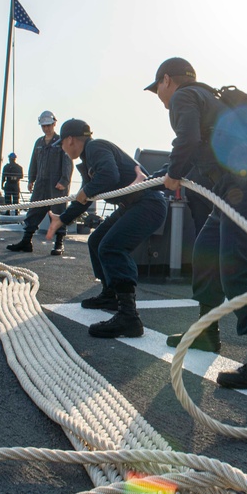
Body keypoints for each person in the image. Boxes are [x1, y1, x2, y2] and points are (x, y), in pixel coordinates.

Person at [146, 57, 247, 389]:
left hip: (246, 188)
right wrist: (163, 175)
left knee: (236, 267)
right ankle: (207, 334)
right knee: (207, 253)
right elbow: (197, 151)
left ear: (167, 80)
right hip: (230, 193)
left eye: (157, 90)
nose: (160, 97)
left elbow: (188, 141)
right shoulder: (210, 99)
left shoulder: (183, 97)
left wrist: (174, 173)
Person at [45, 119, 167, 338]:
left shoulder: (95, 147)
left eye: (62, 144)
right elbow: (84, 197)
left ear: (70, 140)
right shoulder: (87, 159)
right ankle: (110, 294)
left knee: (111, 247)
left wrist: (88, 189)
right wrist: (61, 219)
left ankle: (129, 316)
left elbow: (110, 175)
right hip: (134, 204)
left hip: (148, 203)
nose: (62, 150)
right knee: (97, 241)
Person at [6, 110, 73, 256]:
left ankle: (59, 244)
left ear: (54, 123)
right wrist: (31, 179)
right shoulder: (39, 143)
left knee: (58, 214)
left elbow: (68, 162)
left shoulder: (61, 142)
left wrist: (64, 181)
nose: (46, 128)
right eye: (44, 126)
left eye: (48, 125)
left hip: (56, 186)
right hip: (41, 184)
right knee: (33, 211)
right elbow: (34, 162)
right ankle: (26, 241)